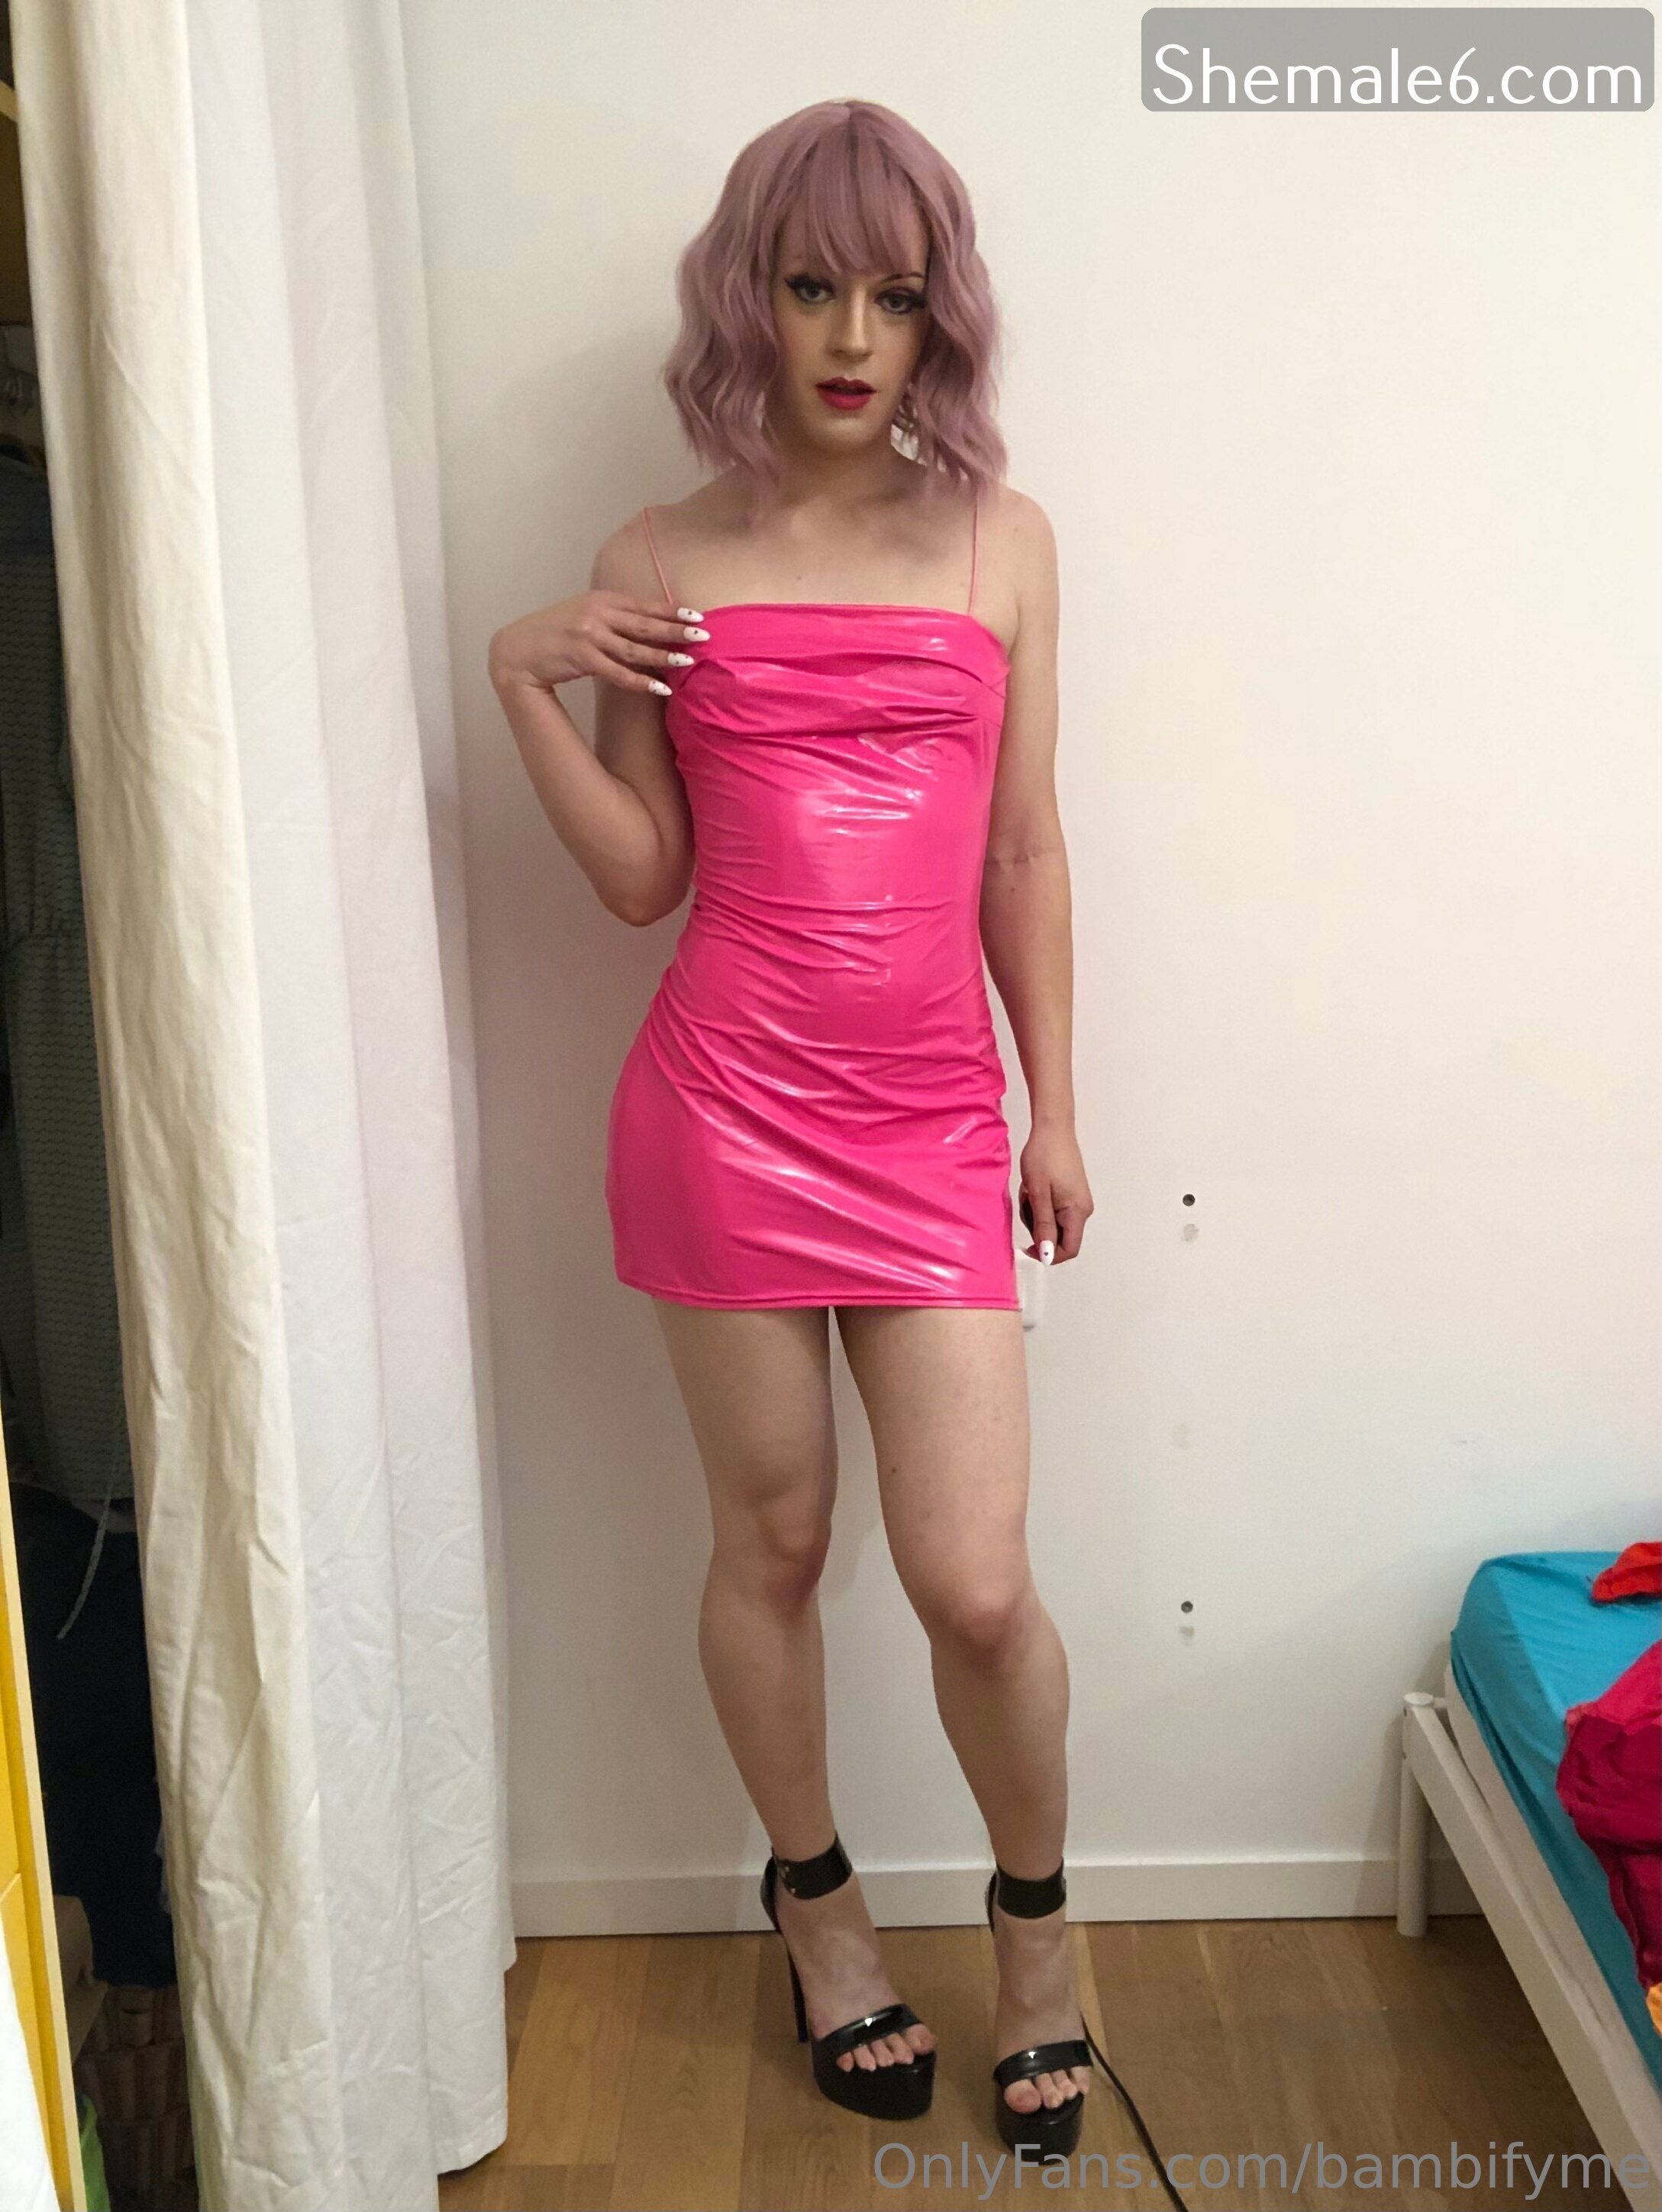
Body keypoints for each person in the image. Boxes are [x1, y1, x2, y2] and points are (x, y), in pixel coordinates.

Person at [489, 101, 1178, 2197]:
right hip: (720, 1111)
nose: (853, 336)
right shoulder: (654, 560)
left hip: (933, 1121)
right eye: (812, 288)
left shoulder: (1001, 540)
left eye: (893, 293)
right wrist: (523, 676)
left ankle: (1037, 1931)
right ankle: (820, 1913)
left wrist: (1057, 1105)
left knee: (974, 1580)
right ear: (750, 301)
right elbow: (642, 880)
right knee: (771, 1547)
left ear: (939, 311)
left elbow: (1024, 848)